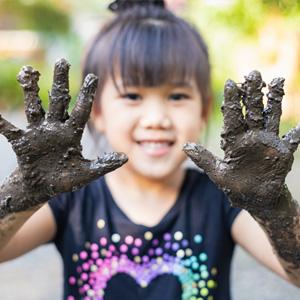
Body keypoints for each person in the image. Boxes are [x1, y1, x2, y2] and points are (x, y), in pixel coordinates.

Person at [0, 1, 300, 299]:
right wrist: (27, 188)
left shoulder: (224, 201)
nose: (156, 119)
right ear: (97, 111)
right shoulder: (71, 201)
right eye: (132, 95)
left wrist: (273, 207)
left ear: (204, 109)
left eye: (177, 96)